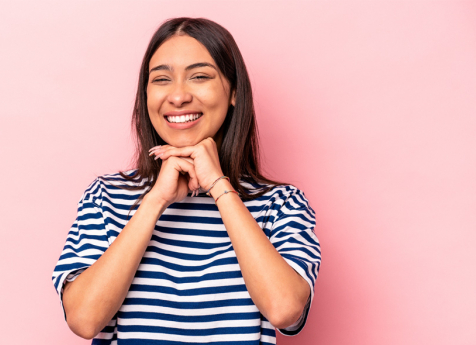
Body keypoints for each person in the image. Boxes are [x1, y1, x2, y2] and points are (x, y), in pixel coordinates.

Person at [52, 17, 321, 344]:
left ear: (234, 90)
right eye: (161, 79)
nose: (178, 97)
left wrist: (220, 187)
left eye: (199, 76)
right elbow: (83, 319)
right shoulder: (106, 197)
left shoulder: (281, 205)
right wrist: (155, 200)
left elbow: (284, 310)